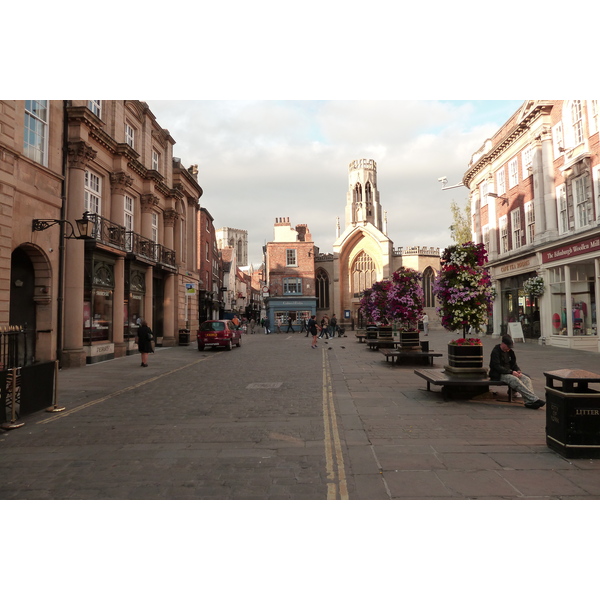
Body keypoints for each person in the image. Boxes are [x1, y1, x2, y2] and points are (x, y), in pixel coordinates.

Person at [489, 334, 545, 409]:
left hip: (510, 372)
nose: (508, 349)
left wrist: (518, 370)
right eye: (508, 347)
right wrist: (511, 372)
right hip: (499, 374)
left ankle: (529, 402)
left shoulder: (510, 352)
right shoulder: (495, 351)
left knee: (526, 379)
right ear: (503, 344)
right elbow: (497, 367)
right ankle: (534, 399)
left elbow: (514, 364)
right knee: (514, 380)